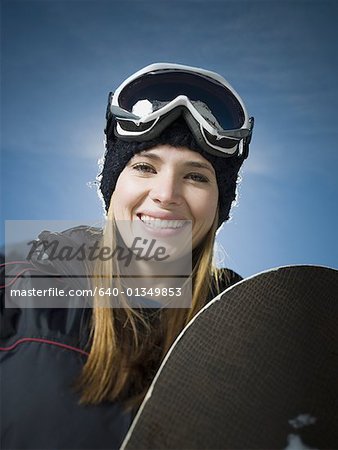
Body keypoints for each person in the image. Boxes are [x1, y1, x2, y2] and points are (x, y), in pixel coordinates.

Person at [0, 63, 254, 449]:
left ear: (219, 203)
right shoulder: (19, 279)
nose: (166, 194)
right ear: (113, 184)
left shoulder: (251, 323)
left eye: (196, 176)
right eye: (144, 167)